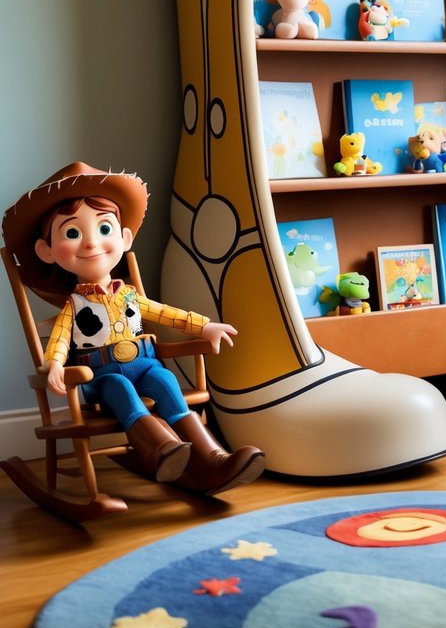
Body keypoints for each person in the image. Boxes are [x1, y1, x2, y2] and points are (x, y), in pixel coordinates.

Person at [2, 161, 265, 494]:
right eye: (72, 233)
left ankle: (214, 458)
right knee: (120, 388)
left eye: (104, 228)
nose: (91, 243)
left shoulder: (128, 295)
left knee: (166, 380)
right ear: (47, 251)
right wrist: (54, 364)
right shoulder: (75, 305)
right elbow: (60, 340)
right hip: (100, 376)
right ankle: (160, 451)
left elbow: (166, 313)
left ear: (124, 238)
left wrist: (204, 327)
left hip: (145, 364)